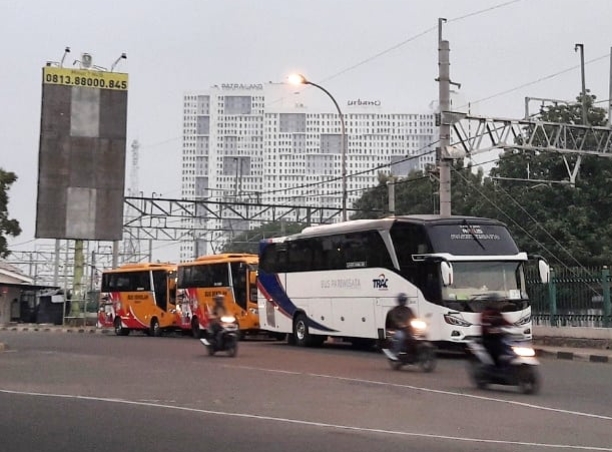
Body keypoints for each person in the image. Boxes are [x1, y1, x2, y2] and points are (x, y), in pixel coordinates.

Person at [385, 293, 417, 357]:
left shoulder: (408, 310)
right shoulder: (394, 310)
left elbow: (414, 318)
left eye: (404, 300)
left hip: (408, 329)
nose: (403, 302)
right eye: (402, 300)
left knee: (417, 337)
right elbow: (394, 319)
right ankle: (395, 352)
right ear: (399, 301)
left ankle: (413, 352)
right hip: (397, 330)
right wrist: (400, 324)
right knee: (400, 336)